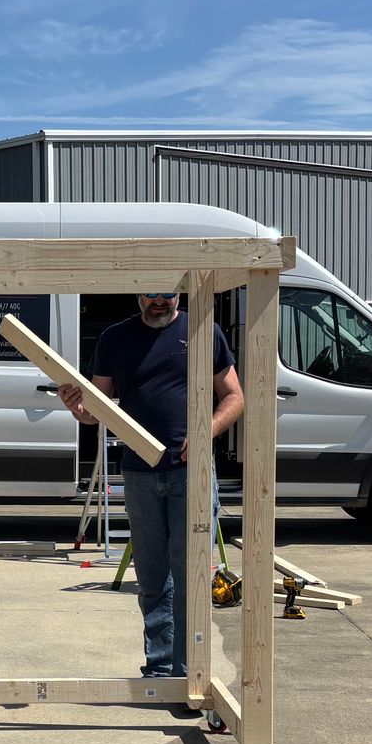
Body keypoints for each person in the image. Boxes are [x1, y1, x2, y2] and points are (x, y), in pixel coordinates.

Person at [58, 291, 244, 714]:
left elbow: (234, 396)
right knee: (154, 575)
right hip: (139, 473)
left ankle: (188, 672)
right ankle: (160, 673)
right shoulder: (114, 338)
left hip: (190, 472)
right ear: (138, 292)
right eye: (152, 294)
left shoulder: (202, 333)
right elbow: (96, 409)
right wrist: (78, 408)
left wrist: (205, 432)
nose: (160, 302)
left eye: (169, 294)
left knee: (190, 572)